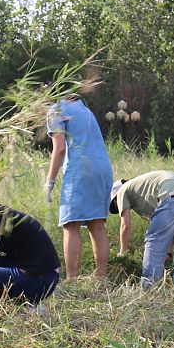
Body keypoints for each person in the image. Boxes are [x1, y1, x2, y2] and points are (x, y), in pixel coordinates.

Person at [45, 95, 113, 279]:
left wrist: (50, 180)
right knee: (97, 225)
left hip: (81, 169)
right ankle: (101, 279)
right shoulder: (85, 110)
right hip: (103, 169)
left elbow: (59, 149)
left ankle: (72, 279)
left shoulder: (56, 109)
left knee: (70, 224)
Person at [110, 171, 174, 289]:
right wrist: (168, 252)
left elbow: (126, 226)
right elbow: (169, 229)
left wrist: (123, 252)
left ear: (115, 198)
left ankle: (148, 286)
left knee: (153, 240)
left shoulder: (122, 191)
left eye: (115, 206)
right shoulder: (145, 189)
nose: (118, 208)